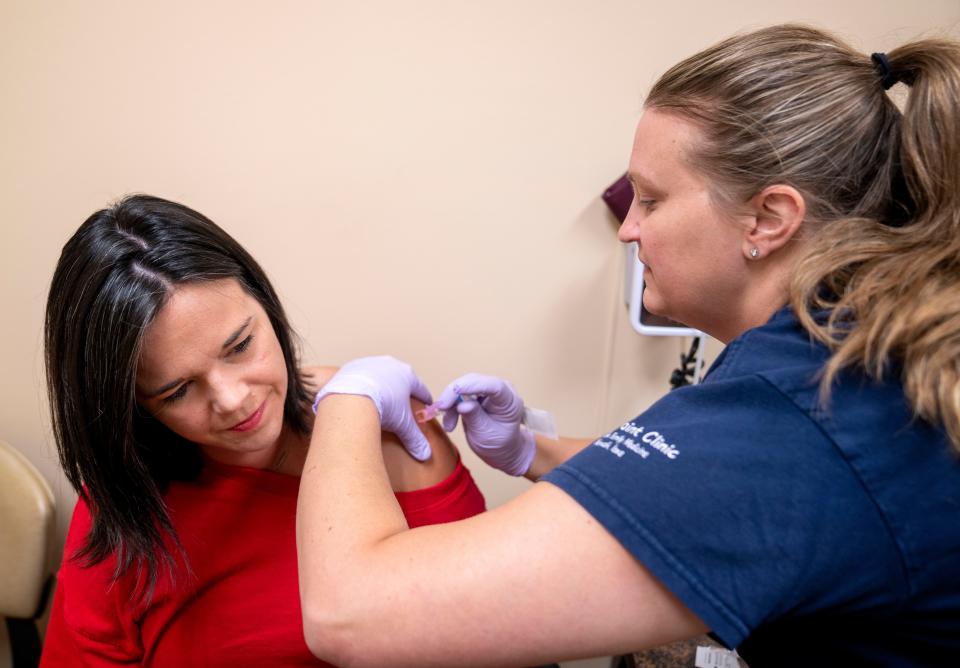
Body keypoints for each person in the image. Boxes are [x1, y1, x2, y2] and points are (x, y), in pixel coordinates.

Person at [296, 24, 960, 667]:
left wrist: (350, 395)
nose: (628, 231)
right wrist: (537, 448)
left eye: (650, 199)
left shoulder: (800, 417)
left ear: (768, 218)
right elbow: (703, 482)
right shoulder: (848, 348)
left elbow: (351, 614)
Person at [40, 194, 487, 666]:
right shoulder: (123, 508)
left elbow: (487, 620)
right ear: (133, 406)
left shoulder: (385, 425)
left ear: (264, 303)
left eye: (240, 346)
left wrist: (533, 453)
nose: (232, 400)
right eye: (177, 391)